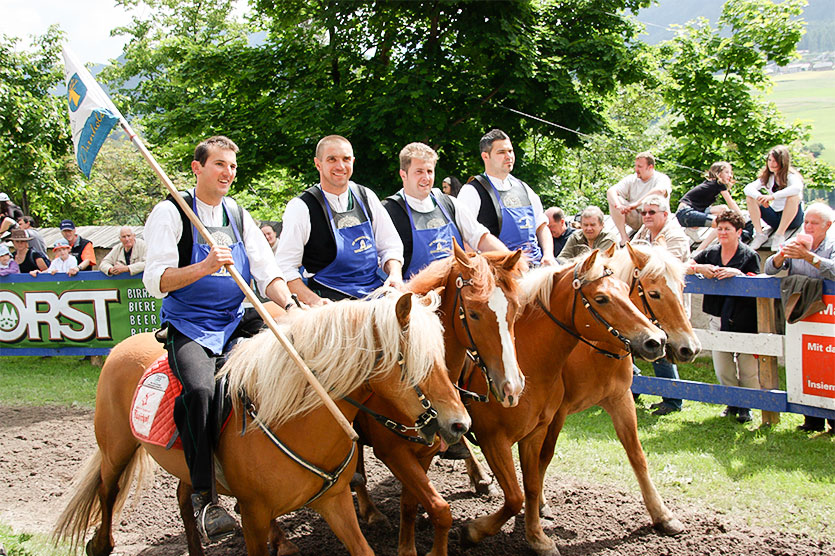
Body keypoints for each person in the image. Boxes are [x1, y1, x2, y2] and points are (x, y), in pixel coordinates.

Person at [143, 136, 295, 542]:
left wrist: (290, 304)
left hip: (235, 320)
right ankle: (204, 496)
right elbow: (156, 281)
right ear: (198, 168)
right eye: (220, 165)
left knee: (294, 357)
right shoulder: (171, 212)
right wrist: (205, 266)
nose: (228, 173)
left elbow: (267, 272)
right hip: (189, 325)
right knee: (200, 391)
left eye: (232, 166)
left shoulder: (239, 215)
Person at [276, 135, 404, 305]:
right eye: (332, 159)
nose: (340, 166)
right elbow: (285, 267)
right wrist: (315, 301)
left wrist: (395, 274)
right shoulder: (301, 207)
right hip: (329, 302)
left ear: (353, 161)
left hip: (375, 296)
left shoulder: (367, 197)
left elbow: (390, 246)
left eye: (346, 159)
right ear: (318, 164)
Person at [382, 142, 507, 279]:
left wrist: (510, 260)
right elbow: (385, 257)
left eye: (429, 171)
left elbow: (480, 237)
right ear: (403, 175)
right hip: (414, 290)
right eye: (419, 171)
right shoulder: (389, 211)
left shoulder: (450, 204)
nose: (426, 178)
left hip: (458, 288)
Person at [764, 202, 835, 434]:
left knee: (830, 364)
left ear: (828, 225)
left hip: (829, 316)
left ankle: (833, 421)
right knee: (806, 362)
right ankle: (811, 419)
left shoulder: (832, 245)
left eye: (814, 223)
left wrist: (809, 257)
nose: (808, 227)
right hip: (802, 313)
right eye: (806, 222)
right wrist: (781, 256)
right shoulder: (796, 241)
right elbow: (770, 268)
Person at [689, 210, 761, 424]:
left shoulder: (749, 255)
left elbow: (758, 282)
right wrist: (699, 268)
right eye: (719, 228)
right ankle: (732, 402)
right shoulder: (711, 253)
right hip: (718, 316)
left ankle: (746, 406)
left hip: (745, 318)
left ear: (738, 232)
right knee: (723, 366)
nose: (722, 232)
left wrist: (738, 275)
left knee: (747, 367)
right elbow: (684, 265)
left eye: (727, 229)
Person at [458, 129, 557, 266]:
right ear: (485, 156)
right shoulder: (472, 191)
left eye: (510, 151)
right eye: (501, 152)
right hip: (500, 271)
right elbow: (464, 238)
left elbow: (541, 226)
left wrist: (548, 255)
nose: (508, 156)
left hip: (536, 267)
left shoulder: (523, 188)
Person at [631, 195, 691, 415]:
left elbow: (663, 268)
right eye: (644, 212)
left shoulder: (675, 236)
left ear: (665, 215)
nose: (646, 216)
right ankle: (635, 382)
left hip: (668, 304)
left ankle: (672, 399)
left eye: (651, 212)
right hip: (648, 303)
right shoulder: (643, 233)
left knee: (664, 350)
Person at [744, 145, 804, 251]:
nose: (771, 164)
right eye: (769, 160)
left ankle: (779, 235)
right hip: (775, 217)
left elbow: (797, 188)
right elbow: (748, 188)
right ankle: (759, 234)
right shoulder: (768, 177)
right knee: (750, 198)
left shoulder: (791, 176)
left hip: (792, 219)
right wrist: (760, 197)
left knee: (794, 197)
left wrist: (772, 197)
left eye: (775, 161)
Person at [607, 152, 673, 246]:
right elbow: (611, 191)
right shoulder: (631, 179)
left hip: (656, 219)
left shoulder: (662, 178)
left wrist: (637, 204)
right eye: (636, 166)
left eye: (640, 166)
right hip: (637, 217)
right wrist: (618, 206)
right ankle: (624, 238)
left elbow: (659, 191)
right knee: (614, 200)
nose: (636, 169)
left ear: (650, 167)